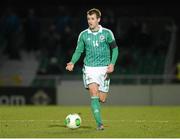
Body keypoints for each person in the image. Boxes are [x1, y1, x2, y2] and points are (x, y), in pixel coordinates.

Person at [66, 8, 119, 130]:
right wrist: (72, 62)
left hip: (104, 69)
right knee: (94, 94)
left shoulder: (107, 33)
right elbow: (78, 51)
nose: (90, 21)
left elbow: (115, 49)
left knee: (102, 98)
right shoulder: (83, 34)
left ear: (98, 19)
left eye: (92, 19)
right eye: (88, 19)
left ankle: (96, 109)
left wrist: (112, 64)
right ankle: (100, 124)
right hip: (89, 68)